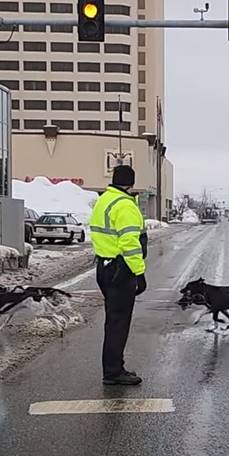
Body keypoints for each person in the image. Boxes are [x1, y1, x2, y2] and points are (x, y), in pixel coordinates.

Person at [89, 165, 147, 385]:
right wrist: (139, 273)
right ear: (131, 183)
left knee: (113, 320)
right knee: (119, 322)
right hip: (120, 270)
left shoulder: (104, 200)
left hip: (104, 267)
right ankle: (113, 372)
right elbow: (130, 244)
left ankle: (115, 367)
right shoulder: (125, 206)